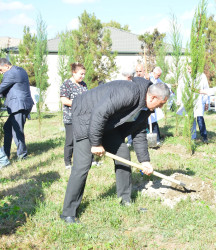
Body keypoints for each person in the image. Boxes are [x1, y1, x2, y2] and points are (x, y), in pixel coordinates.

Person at [60, 78, 170, 223]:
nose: (161, 107)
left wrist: (145, 161)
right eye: (161, 103)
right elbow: (100, 112)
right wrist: (96, 143)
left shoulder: (146, 106)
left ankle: (125, 200)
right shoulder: (129, 92)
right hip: (85, 117)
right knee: (82, 166)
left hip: (105, 124)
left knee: (122, 152)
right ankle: (68, 213)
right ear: (153, 97)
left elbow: (139, 133)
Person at [0, 58, 34, 161]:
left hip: (18, 105)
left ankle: (22, 156)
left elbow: (2, 88)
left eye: (0, 69)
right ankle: (6, 154)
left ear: (6, 66)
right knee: (7, 128)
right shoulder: (20, 70)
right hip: (22, 104)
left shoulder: (10, 73)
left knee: (17, 131)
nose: (0, 72)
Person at [60, 63, 88, 169]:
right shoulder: (66, 84)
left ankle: (83, 160)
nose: (83, 76)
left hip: (83, 118)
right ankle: (68, 162)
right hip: (70, 118)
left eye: (84, 74)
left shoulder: (83, 85)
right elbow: (64, 100)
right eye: (81, 74)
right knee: (70, 141)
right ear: (74, 73)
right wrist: (78, 104)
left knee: (83, 140)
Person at [176, 65, 209, 143]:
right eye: (188, 69)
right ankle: (192, 136)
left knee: (199, 118)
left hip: (199, 100)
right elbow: (180, 88)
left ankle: (204, 136)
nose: (189, 71)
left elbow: (206, 88)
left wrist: (207, 102)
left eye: (191, 69)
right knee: (190, 118)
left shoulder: (202, 76)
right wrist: (179, 99)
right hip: (188, 100)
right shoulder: (184, 76)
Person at [148, 67, 165, 145]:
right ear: (154, 73)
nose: (158, 77)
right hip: (147, 101)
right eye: (158, 75)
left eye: (159, 75)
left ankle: (157, 140)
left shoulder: (158, 80)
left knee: (154, 121)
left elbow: (163, 85)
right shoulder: (147, 77)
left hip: (154, 103)